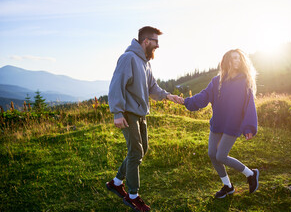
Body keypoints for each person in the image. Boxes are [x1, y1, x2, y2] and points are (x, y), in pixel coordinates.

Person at [106, 26, 184, 211]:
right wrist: (117, 113)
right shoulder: (128, 58)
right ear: (146, 41)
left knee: (142, 150)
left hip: (141, 114)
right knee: (135, 153)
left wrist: (168, 96)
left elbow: (152, 87)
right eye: (156, 41)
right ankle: (133, 196)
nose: (158, 46)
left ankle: (117, 182)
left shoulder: (145, 63)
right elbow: (116, 86)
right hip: (128, 113)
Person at [183, 49, 259, 198]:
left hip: (233, 124)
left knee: (221, 156)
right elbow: (204, 96)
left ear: (241, 61)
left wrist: (249, 127)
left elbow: (249, 105)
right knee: (212, 154)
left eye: (238, 58)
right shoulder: (217, 81)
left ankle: (251, 174)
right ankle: (228, 186)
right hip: (217, 123)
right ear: (226, 62)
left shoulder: (245, 81)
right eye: (232, 58)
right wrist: (187, 101)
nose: (235, 61)